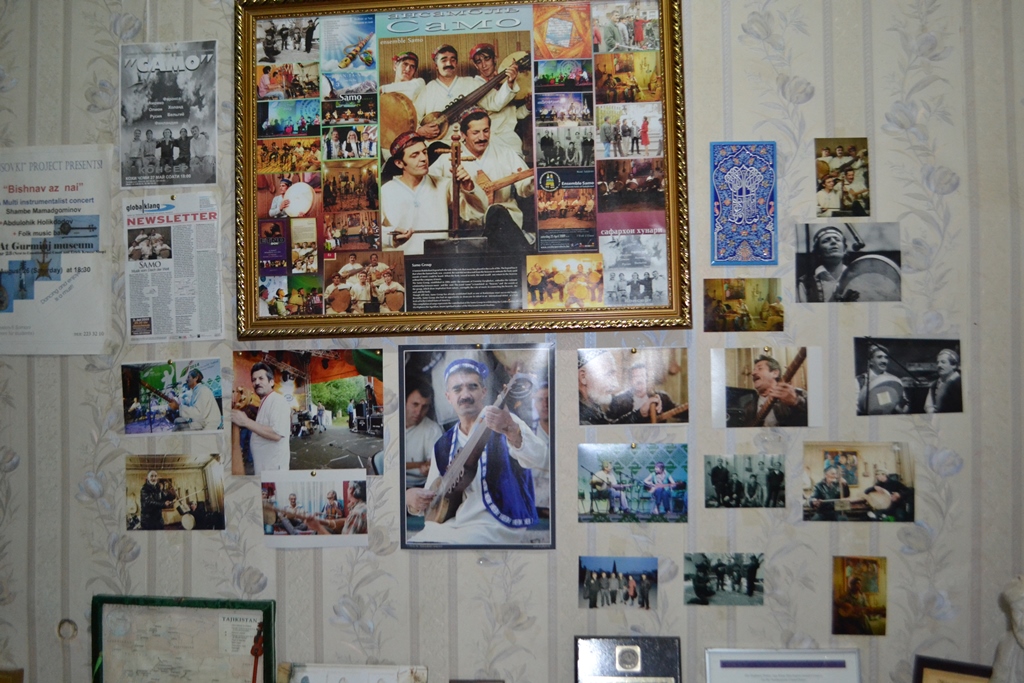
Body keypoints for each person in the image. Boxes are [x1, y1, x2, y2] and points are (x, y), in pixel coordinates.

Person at [405, 358, 546, 545]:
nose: (465, 395)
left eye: (472, 387)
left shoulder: (504, 421)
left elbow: (540, 458)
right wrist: (411, 498)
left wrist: (512, 430)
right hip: (453, 524)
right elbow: (432, 500)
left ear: (483, 392)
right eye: (457, 389)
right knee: (414, 545)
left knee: (467, 543)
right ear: (448, 397)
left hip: (496, 523)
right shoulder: (442, 444)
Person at [429, 108, 534, 252]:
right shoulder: (447, 158)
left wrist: (532, 183)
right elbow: (428, 185)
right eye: (475, 133)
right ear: (463, 135)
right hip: (468, 228)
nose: (482, 137)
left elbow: (524, 186)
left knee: (498, 215)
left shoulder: (505, 153)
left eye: (486, 131)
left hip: (506, 225)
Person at [381, 132, 483, 255]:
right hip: (401, 260)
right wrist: (391, 238)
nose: (423, 158)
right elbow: (375, 232)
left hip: (437, 259)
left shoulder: (444, 185)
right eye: (414, 155)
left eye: (424, 152)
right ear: (399, 163)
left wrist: (468, 187)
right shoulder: (386, 191)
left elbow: (476, 212)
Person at [413, 44, 517, 147]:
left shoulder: (471, 83)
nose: (449, 63)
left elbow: (495, 103)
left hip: (469, 145)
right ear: (435, 65)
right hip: (438, 145)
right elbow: (414, 117)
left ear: (456, 63)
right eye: (444, 60)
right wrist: (420, 130)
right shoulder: (428, 89)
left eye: (453, 60)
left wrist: (510, 83)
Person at [231, 362, 290, 472]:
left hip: (274, 470)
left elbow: (276, 434)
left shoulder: (278, 401)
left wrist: (245, 422)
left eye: (261, 378)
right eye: (254, 380)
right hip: (264, 468)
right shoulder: (265, 401)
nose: (257, 382)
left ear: (271, 382)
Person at [468, 43, 528, 151]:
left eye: (487, 59)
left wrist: (528, 107)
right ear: (476, 65)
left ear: (495, 59)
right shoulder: (475, 85)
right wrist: (510, 83)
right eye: (479, 61)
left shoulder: (504, 81)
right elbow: (495, 105)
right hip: (488, 138)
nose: (484, 65)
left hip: (510, 137)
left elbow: (512, 114)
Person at [737, 354, 808, 427]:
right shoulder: (748, 407)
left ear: (775, 373)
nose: (753, 373)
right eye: (754, 370)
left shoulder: (798, 394)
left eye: (759, 368)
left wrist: (796, 402)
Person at [608, 361, 682, 423]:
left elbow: (680, 412)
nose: (639, 380)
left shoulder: (662, 398)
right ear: (630, 380)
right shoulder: (618, 401)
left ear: (647, 379)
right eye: (635, 377)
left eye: (642, 376)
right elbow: (612, 425)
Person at [403, 379, 443, 489]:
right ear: (404, 402)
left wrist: (428, 467)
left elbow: (434, 463)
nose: (419, 412)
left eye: (424, 406)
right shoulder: (390, 424)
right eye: (415, 404)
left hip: (421, 486)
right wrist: (419, 464)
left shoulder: (433, 430)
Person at [797, 225, 852, 302]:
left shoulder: (858, 278)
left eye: (837, 240)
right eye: (826, 241)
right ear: (818, 252)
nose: (833, 242)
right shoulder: (805, 283)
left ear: (845, 250)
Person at [856, 343, 909, 415]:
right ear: (870, 361)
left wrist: (902, 407)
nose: (884, 361)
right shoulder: (859, 381)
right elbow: (856, 408)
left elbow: (903, 403)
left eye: (886, 357)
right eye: (879, 357)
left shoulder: (895, 380)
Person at [577, 349, 621, 425]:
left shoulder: (592, 404)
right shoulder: (577, 416)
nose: (616, 384)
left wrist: (639, 414)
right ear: (583, 377)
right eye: (609, 374)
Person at [925, 348, 962, 413]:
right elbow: (928, 406)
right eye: (938, 362)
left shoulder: (961, 383)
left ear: (954, 365)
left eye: (943, 362)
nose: (939, 365)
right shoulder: (934, 385)